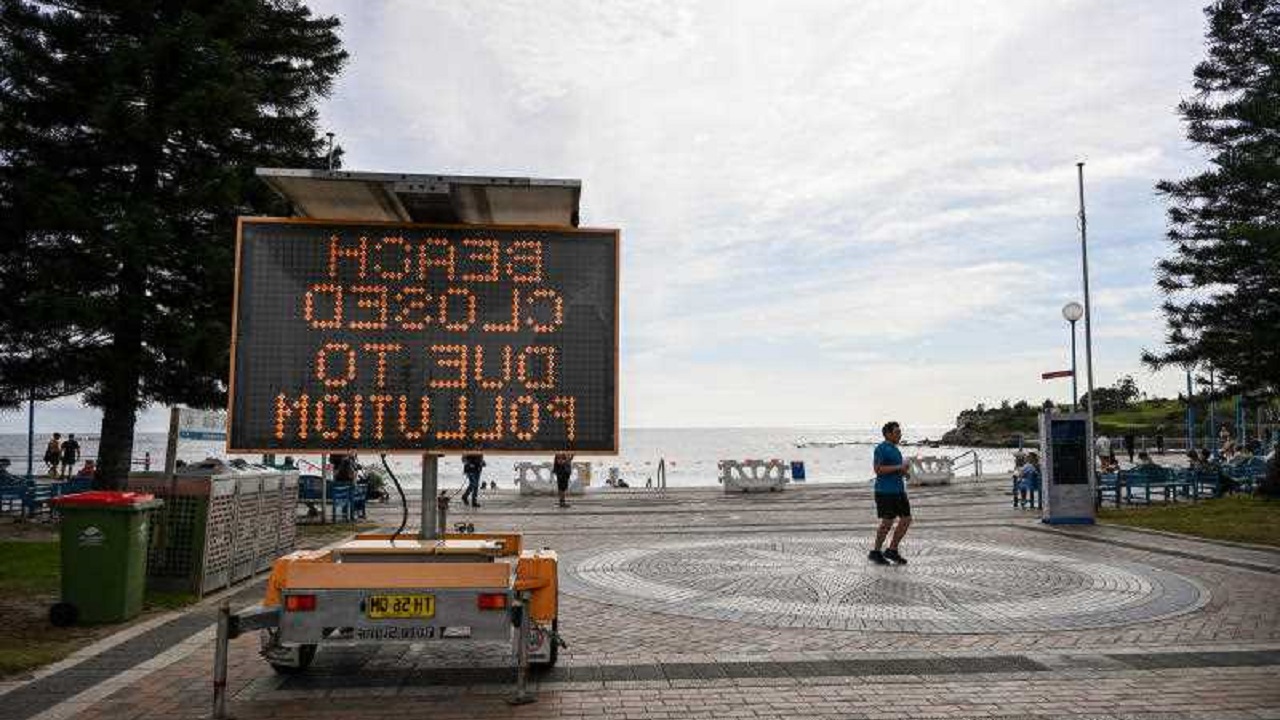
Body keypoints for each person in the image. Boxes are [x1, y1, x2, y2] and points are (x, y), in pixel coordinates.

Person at [869, 421, 912, 565]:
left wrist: (904, 473)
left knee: (906, 519)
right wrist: (899, 467)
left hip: (899, 490)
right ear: (888, 434)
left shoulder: (895, 449)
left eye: (900, 432)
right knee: (887, 523)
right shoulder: (881, 449)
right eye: (897, 432)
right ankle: (875, 552)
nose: (900, 435)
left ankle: (892, 550)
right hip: (885, 491)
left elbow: (894, 469)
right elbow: (878, 469)